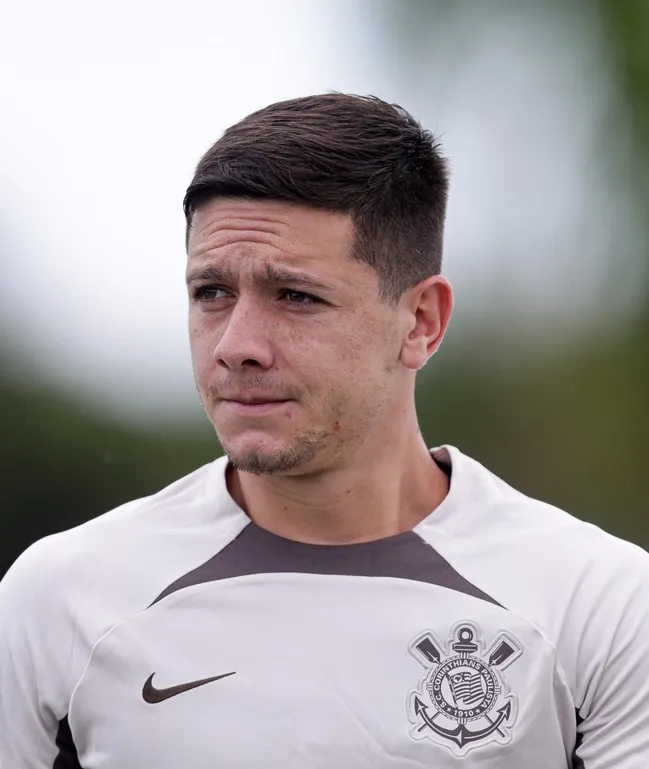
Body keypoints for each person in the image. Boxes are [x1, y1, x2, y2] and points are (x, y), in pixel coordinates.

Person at [0, 93, 647, 769]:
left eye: (295, 296)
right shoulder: (60, 598)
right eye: (211, 292)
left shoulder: (598, 603)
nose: (237, 344)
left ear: (420, 320)